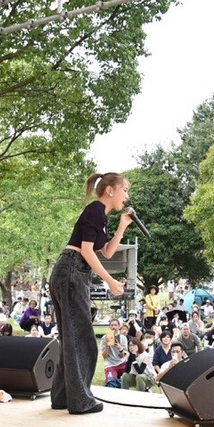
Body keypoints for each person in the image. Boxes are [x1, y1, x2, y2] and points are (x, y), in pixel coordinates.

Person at [47, 172, 134, 414]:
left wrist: (121, 227)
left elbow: (105, 251)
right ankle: (81, 400)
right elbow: (86, 250)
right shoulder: (96, 210)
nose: (126, 196)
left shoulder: (100, 215)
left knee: (71, 338)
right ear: (110, 190)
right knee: (83, 339)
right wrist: (110, 282)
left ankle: (63, 397)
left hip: (69, 272)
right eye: (124, 190)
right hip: (73, 270)